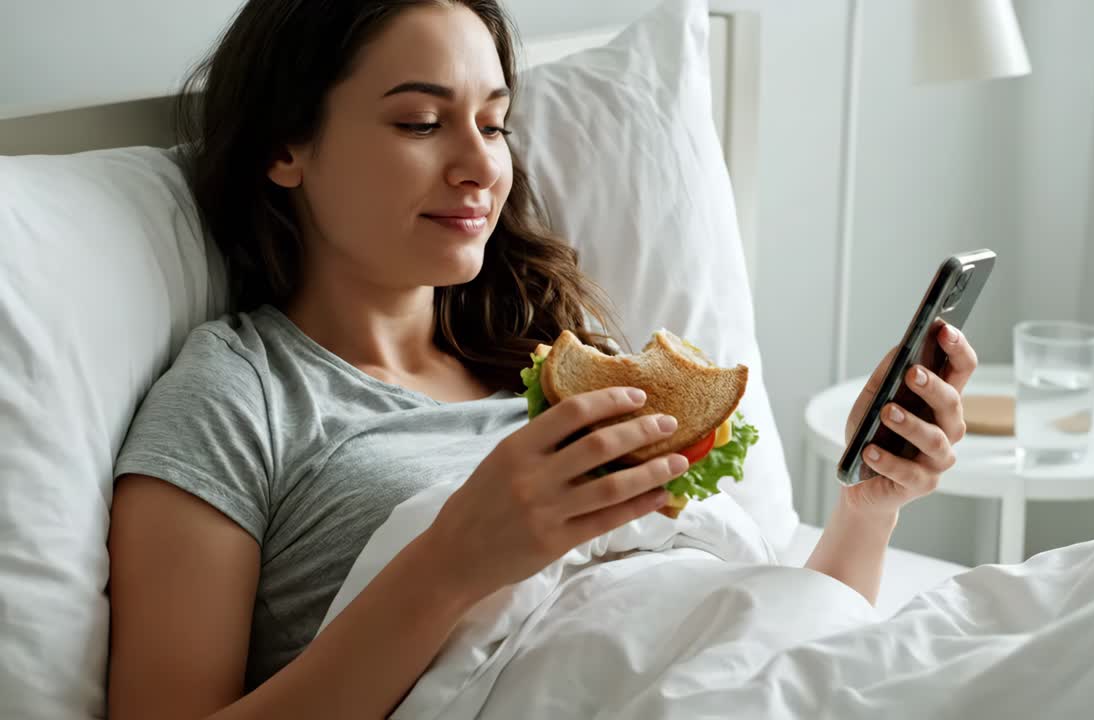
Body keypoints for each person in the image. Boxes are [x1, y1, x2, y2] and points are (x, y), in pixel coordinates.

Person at [105, 1, 978, 718]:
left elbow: (782, 650)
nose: (480, 165)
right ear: (285, 148)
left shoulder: (559, 361)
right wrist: (454, 561)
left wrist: (869, 511)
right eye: (420, 122)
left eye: (494, 123)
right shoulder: (235, 395)